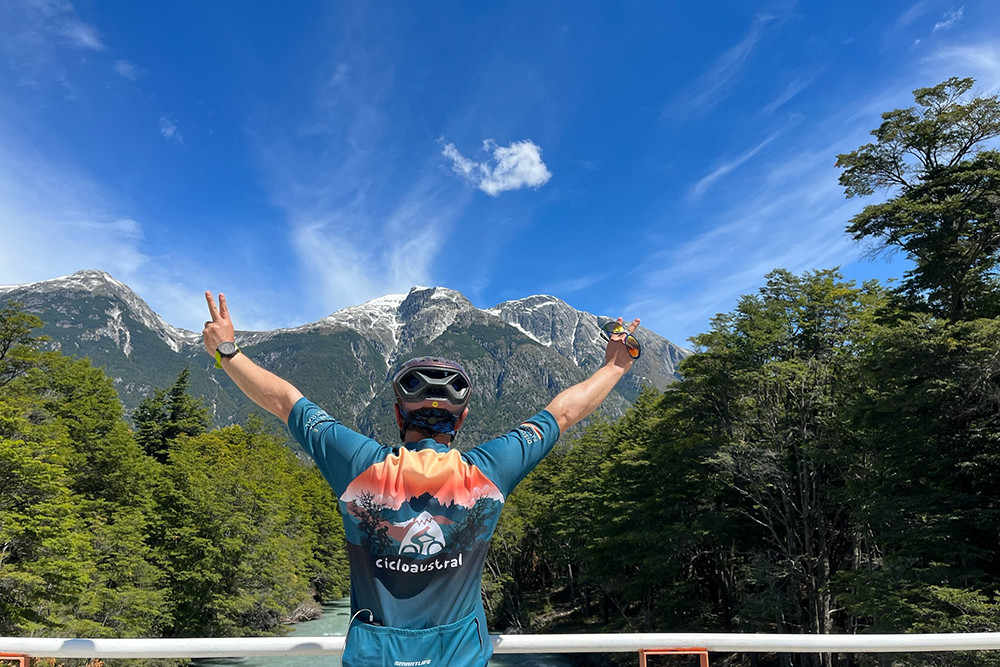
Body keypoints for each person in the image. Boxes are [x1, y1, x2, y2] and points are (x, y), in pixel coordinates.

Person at [201, 291, 640, 667]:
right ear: (462, 419)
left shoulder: (360, 468)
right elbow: (563, 413)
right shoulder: (487, 473)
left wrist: (228, 352)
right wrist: (615, 368)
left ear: (397, 414)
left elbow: (284, 401)